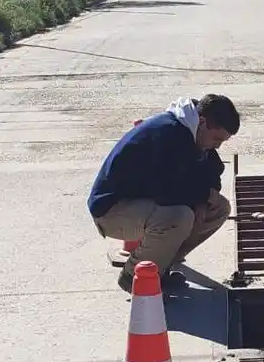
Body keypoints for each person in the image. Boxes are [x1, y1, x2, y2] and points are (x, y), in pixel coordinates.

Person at [88, 94, 241, 293]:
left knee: (219, 207)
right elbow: (167, 192)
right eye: (217, 139)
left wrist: (204, 200)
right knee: (179, 216)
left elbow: (213, 172)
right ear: (203, 122)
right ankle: (134, 276)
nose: (218, 146)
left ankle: (160, 265)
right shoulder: (168, 134)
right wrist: (201, 198)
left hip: (143, 204)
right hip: (112, 211)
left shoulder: (195, 131)